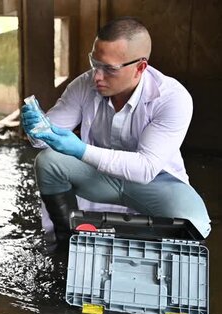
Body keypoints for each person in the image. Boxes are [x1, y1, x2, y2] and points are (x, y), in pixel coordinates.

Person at [21, 17, 211, 245]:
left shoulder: (171, 98)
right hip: (98, 177)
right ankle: (65, 239)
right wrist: (36, 127)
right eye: (95, 63)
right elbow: (42, 141)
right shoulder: (84, 85)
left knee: (195, 226)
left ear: (140, 68)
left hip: (154, 183)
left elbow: (146, 168)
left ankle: (147, 250)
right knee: (48, 161)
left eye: (109, 69)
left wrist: (80, 149)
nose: (97, 76)